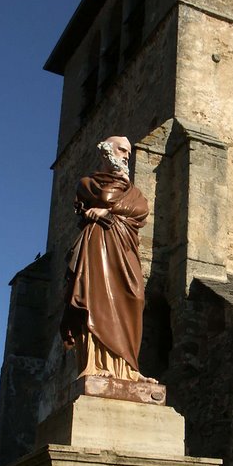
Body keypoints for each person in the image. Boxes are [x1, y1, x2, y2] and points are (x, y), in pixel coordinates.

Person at [61, 135, 153, 382]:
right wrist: (111, 205)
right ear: (105, 152)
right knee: (96, 296)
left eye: (129, 153)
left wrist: (109, 211)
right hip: (98, 244)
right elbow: (105, 197)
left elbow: (142, 210)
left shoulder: (132, 189)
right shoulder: (88, 183)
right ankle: (96, 364)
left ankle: (128, 369)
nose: (126, 156)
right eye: (122, 150)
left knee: (134, 297)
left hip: (124, 248)